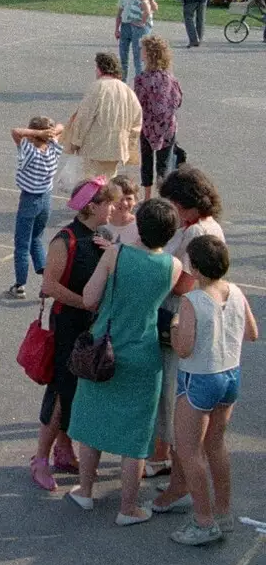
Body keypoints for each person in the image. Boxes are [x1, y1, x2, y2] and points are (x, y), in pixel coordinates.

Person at [66, 198, 183, 526]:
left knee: (92, 422)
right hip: (144, 354)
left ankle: (85, 492)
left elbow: (90, 298)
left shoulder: (116, 255)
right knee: (136, 435)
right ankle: (128, 507)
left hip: (105, 347)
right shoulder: (172, 267)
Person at [164, 236, 257, 545]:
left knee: (190, 451)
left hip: (199, 379)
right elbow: (252, 333)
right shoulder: (236, 291)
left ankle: (203, 522)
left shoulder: (193, 300)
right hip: (230, 374)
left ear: (197, 268)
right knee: (216, 445)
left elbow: (185, 349)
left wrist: (175, 327)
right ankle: (222, 512)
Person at [29, 177, 116, 491]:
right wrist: (86, 303)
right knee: (60, 390)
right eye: (109, 203)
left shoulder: (99, 238)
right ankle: (40, 458)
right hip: (67, 326)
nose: (113, 209)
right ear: (93, 206)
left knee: (75, 391)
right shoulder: (64, 240)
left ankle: (63, 449)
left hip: (86, 326)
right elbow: (50, 286)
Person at [147, 165, 223, 494]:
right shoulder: (203, 225)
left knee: (173, 396)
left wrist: (155, 267)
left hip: (179, 317)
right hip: (189, 317)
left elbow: (185, 283)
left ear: (187, 203)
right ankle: (160, 455)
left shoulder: (196, 233)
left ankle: (178, 482)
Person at [61, 53, 142, 180]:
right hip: (117, 148)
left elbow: (83, 118)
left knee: (92, 185)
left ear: (100, 68)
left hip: (95, 147)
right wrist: (128, 146)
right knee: (109, 183)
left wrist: (75, 142)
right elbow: (137, 121)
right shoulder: (127, 91)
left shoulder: (97, 87)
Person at [9, 116, 65, 299]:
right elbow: (61, 126)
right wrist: (49, 133)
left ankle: (20, 284)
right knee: (36, 239)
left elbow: (15, 132)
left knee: (22, 244)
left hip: (29, 199)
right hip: (46, 200)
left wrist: (38, 133)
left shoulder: (30, 151)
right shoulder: (53, 149)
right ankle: (44, 275)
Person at [132, 36, 181, 201]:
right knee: (164, 164)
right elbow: (177, 100)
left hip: (147, 126)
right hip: (167, 126)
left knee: (146, 161)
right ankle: (163, 199)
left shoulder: (142, 79)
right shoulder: (170, 78)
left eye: (143, 50)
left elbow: (137, 102)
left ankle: (147, 197)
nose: (140, 52)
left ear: (150, 54)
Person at [114, 0, 155, 79]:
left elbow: (153, 9)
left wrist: (150, 1)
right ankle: (122, 83)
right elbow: (119, 13)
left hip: (139, 27)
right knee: (123, 56)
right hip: (126, 25)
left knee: (139, 57)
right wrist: (117, 29)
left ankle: (140, 84)